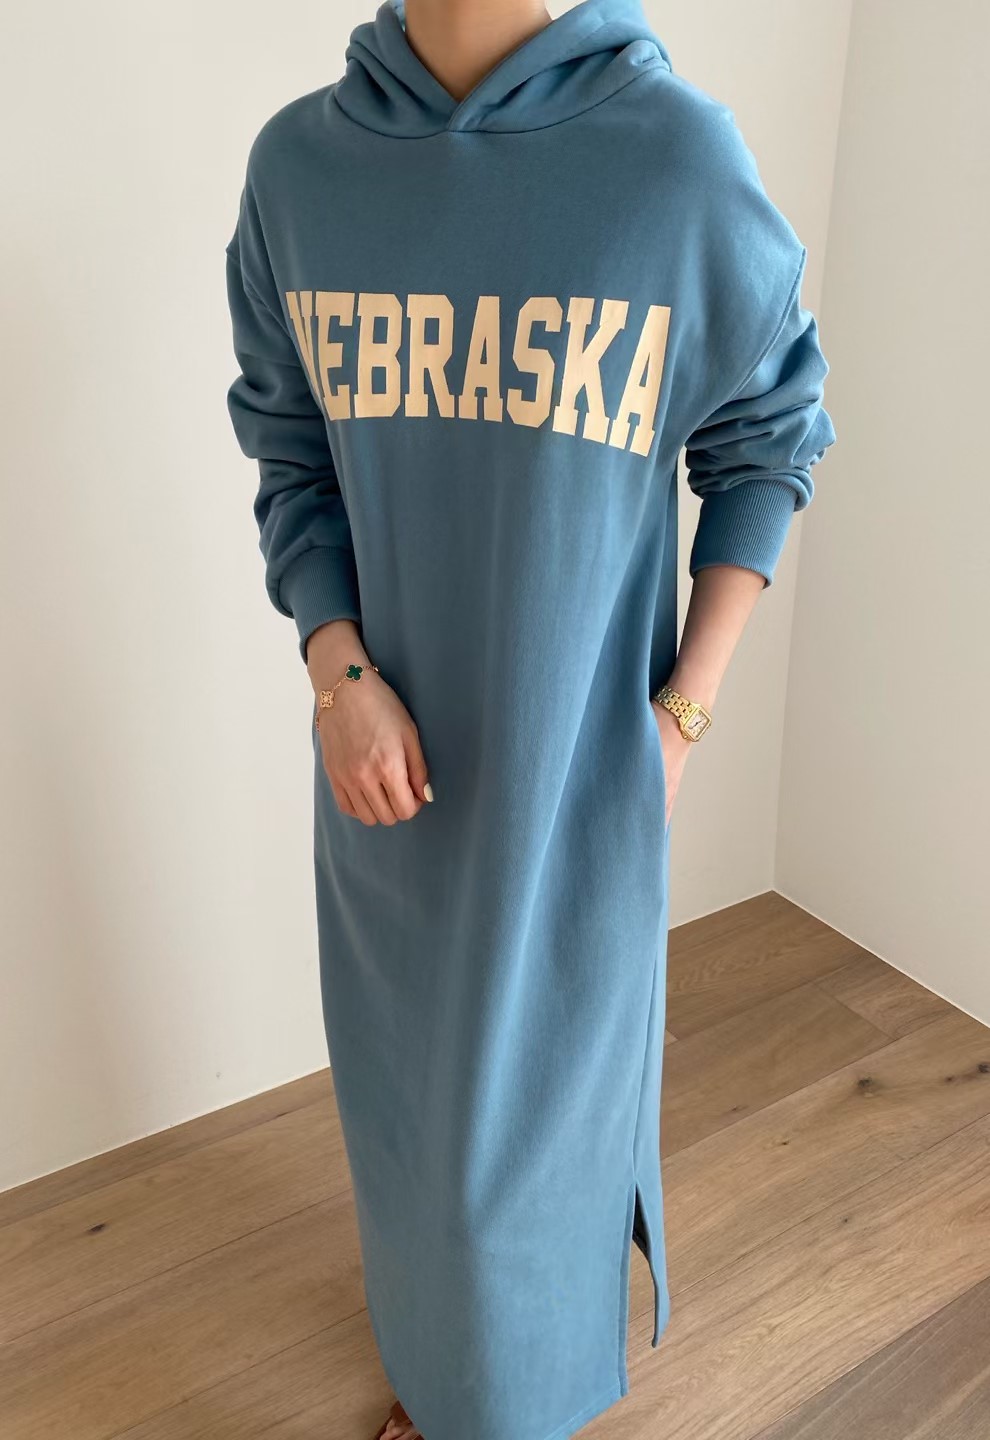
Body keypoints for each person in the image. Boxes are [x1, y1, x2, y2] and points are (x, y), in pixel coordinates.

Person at [223, 1, 836, 1436]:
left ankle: (499, 1406)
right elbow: (291, 450)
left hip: (578, 780)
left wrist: (680, 718)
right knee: (411, 1119)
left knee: (544, 1130)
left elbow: (768, 440)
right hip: (383, 768)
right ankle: (443, 1371)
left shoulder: (669, 161)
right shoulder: (301, 171)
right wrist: (337, 675)